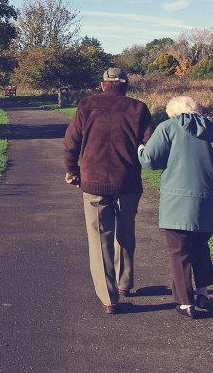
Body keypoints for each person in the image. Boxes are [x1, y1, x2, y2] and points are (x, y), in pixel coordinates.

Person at [138, 96, 213, 319]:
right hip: (208, 203)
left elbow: (149, 161)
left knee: (179, 251)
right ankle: (203, 293)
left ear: (173, 113)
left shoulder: (168, 128)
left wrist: (140, 149)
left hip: (176, 204)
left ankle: (186, 302)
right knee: (200, 246)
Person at [63, 68, 153, 314]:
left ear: (103, 85)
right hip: (128, 182)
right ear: (125, 85)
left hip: (93, 182)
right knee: (125, 232)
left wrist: (72, 170)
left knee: (99, 238)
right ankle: (124, 282)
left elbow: (71, 141)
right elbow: (150, 145)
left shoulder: (86, 106)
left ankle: (109, 297)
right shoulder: (138, 108)